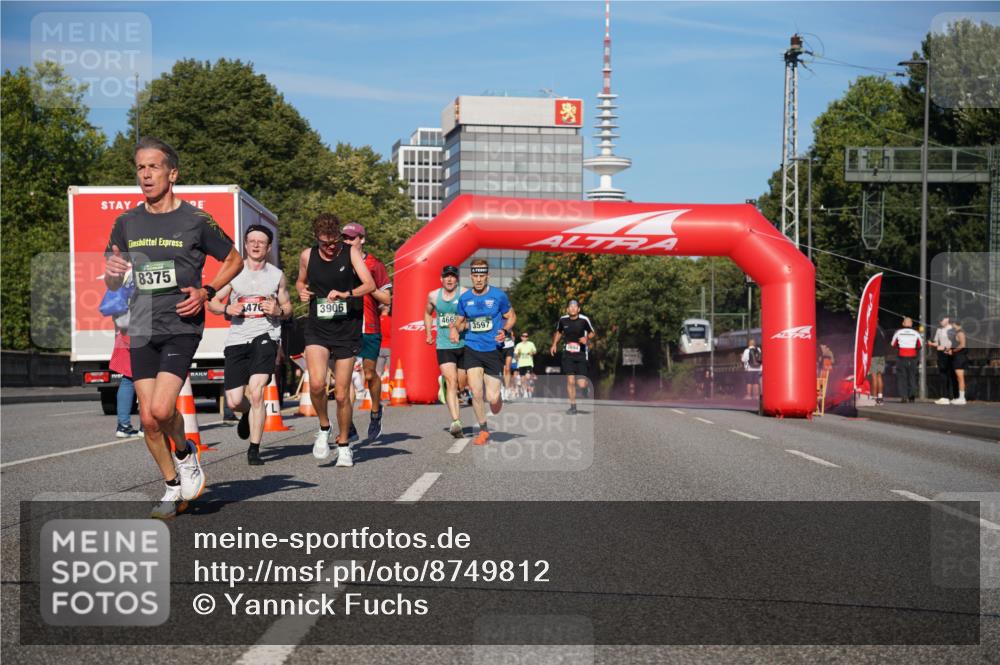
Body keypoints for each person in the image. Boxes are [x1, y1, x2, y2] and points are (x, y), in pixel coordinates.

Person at [104, 136, 242, 519]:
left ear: (172, 173)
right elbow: (113, 278)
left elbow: (233, 259)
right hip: (142, 324)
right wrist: (112, 273)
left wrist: (207, 289)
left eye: (153, 167)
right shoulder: (126, 223)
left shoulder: (195, 220)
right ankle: (170, 485)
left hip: (182, 321)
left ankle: (185, 452)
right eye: (140, 168)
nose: (145, 175)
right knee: (148, 419)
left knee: (163, 409)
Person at [207, 224, 292, 466]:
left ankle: (254, 449)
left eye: (261, 242)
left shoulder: (276, 275)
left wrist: (279, 310)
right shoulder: (234, 273)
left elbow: (288, 307)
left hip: (266, 336)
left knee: (256, 392)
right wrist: (226, 308)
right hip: (237, 339)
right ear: (245, 245)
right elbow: (211, 301)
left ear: (268, 247)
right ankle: (246, 414)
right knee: (234, 400)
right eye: (252, 241)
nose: (256, 245)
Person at [296, 213, 375, 468]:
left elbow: (369, 284)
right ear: (316, 239)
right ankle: (324, 427)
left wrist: (346, 294)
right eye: (324, 244)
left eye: (333, 243)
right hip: (317, 327)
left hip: (346, 329)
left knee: (342, 394)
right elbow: (300, 281)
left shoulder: (349, 253)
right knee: (317, 384)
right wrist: (300, 290)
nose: (330, 249)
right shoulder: (307, 255)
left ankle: (343, 446)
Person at [450, 259, 515, 445]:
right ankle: (484, 430)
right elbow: (459, 320)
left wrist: (505, 330)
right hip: (472, 347)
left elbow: (511, 316)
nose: (478, 279)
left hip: (493, 349)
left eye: (481, 276)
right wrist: (455, 328)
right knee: (476, 392)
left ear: (487, 276)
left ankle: (498, 396)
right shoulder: (464, 298)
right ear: (471, 276)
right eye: (475, 276)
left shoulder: (498, 296)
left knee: (492, 397)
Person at [341, 223, 391, 442]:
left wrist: (368, 286)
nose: (347, 242)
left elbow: (387, 300)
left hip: (369, 326)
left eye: (351, 238)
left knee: (369, 375)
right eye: (344, 238)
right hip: (344, 327)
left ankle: (375, 411)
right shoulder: (338, 263)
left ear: (362, 239)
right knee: (345, 379)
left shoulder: (375, 264)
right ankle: (348, 424)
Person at [425, 265, 469, 437]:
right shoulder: (434, 296)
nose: (450, 279)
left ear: (457, 279)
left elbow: (471, 317)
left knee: (461, 383)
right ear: (441, 279)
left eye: (453, 276)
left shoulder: (465, 294)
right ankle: (456, 421)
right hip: (444, 344)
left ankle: (445, 384)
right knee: (452, 382)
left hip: (464, 343)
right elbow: (428, 313)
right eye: (447, 276)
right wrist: (429, 332)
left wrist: (459, 327)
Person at [550, 299, 595, 415]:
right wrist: (554, 344)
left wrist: (587, 338)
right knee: (570, 381)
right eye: (571, 306)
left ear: (579, 309)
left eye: (575, 306)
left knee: (581, 383)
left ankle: (585, 389)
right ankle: (573, 406)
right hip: (568, 354)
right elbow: (559, 332)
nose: (573, 308)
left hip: (581, 354)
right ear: (567, 309)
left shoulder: (584, 320)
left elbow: (592, 332)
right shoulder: (563, 320)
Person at [110, 323, 139, 438]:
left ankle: (123, 425)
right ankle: (146, 426)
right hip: (143, 334)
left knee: (128, 379)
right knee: (148, 379)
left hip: (125, 334)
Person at [891, 316, 922, 403]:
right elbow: (920, 345)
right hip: (913, 357)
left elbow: (893, 344)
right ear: (911, 324)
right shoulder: (916, 333)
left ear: (903, 324)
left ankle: (904, 396)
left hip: (902, 357)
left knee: (902, 377)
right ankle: (912, 396)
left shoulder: (898, 332)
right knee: (912, 376)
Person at [928, 316, 956, 405]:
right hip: (941, 354)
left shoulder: (953, 329)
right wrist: (931, 344)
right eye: (939, 320)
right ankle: (945, 396)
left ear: (947, 319)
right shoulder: (939, 330)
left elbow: (955, 342)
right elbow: (937, 342)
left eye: (942, 319)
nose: (940, 321)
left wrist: (950, 349)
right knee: (943, 374)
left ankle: (953, 396)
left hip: (951, 353)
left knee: (951, 374)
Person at [948, 320, 968, 405]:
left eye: (951, 324)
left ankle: (962, 398)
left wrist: (953, 351)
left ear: (954, 324)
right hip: (958, 357)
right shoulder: (959, 332)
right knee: (959, 378)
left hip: (960, 358)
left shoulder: (960, 333)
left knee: (960, 378)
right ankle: (960, 397)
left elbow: (962, 345)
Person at [869, 324, 889, 405]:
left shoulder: (872, 329)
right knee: (879, 376)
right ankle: (880, 398)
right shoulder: (881, 329)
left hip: (874, 355)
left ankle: (873, 398)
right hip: (882, 355)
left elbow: (870, 342)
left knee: (874, 377)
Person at [514, 332, 537, 400]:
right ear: (521, 337)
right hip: (521, 364)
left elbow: (535, 351)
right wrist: (516, 357)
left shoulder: (531, 344)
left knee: (528, 377)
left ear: (528, 337)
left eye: (526, 336)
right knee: (522, 379)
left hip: (529, 363)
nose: (525, 337)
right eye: (523, 336)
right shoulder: (518, 345)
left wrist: (531, 352)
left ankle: (528, 388)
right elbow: (515, 354)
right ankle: (525, 392)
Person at [501, 329, 516, 400]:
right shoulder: (496, 321)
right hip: (500, 348)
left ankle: (507, 390)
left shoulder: (509, 323)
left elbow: (513, 336)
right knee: (502, 371)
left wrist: (512, 338)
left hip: (509, 347)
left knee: (507, 369)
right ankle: (502, 388)